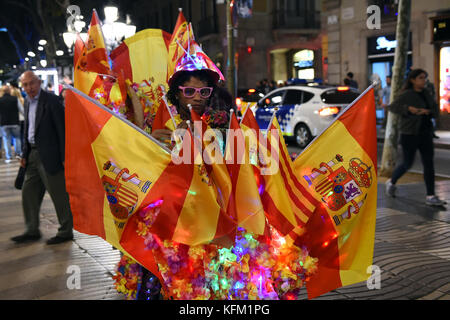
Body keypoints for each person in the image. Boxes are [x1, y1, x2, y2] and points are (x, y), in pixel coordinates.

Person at [11, 71, 74, 244]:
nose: (29, 87)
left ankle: (66, 231)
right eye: (25, 85)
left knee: (58, 194)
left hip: (50, 155)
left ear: (39, 82)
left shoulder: (52, 101)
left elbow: (62, 131)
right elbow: (27, 129)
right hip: (32, 154)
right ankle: (32, 230)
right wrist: (24, 154)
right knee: (28, 192)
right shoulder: (26, 103)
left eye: (32, 83)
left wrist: (64, 156)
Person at [385, 69, 447, 206]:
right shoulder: (407, 94)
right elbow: (393, 107)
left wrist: (428, 112)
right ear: (413, 80)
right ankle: (392, 181)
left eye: (424, 77)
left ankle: (430, 195)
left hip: (425, 133)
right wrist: (408, 109)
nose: (423, 80)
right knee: (408, 163)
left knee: (429, 164)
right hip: (409, 134)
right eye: (420, 78)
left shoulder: (427, 94)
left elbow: (436, 110)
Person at [0, 85, 22, 163]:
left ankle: (9, 157)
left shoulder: (0, 100)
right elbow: (21, 110)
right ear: (9, 91)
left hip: (4, 123)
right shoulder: (15, 99)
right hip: (15, 122)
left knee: (6, 139)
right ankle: (18, 154)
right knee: (17, 138)